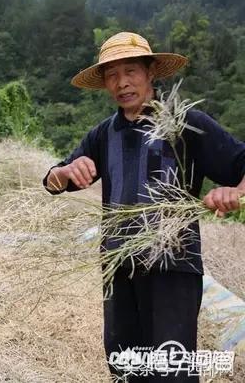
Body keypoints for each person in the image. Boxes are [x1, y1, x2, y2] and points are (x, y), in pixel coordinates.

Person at [42, 32, 245, 382]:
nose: (122, 83)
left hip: (173, 265)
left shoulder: (186, 123)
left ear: (151, 73)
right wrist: (63, 172)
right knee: (126, 367)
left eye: (131, 71)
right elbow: (53, 183)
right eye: (111, 75)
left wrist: (235, 192)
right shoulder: (103, 135)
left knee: (170, 371)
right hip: (119, 267)